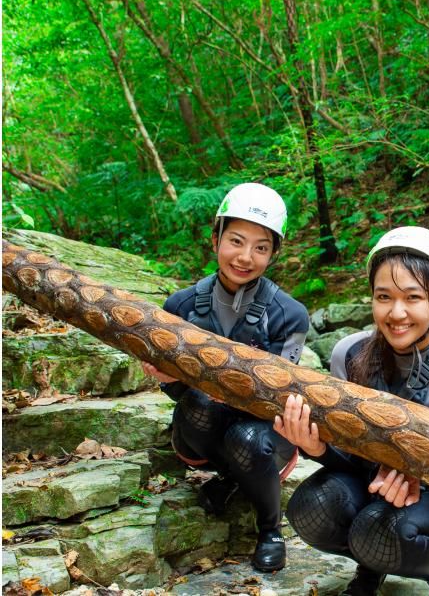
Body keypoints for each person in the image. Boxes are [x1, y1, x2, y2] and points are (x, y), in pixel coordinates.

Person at [274, 226, 429, 596]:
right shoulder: (349, 355)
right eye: (384, 297)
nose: (397, 312)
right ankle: (371, 564)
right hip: (371, 475)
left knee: (379, 528)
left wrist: (414, 473)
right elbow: (352, 455)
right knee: (310, 509)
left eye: (413, 297)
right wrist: (316, 447)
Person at [142, 182, 309, 573]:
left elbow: (283, 397)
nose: (245, 257)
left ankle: (270, 529)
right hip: (202, 430)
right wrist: (168, 378)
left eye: (261, 247)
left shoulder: (290, 314)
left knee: (246, 437)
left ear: (273, 253)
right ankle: (231, 478)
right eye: (236, 241)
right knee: (199, 402)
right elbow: (177, 396)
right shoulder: (180, 305)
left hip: (266, 433)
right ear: (215, 238)